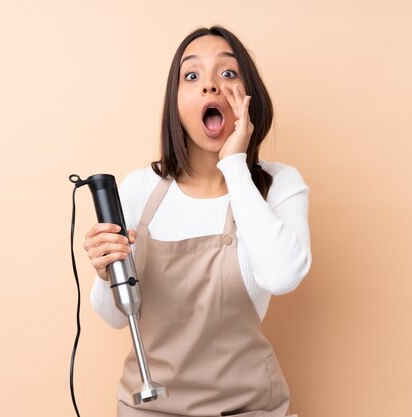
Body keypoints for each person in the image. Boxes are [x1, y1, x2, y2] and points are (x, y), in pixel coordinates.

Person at [83, 26, 312, 417]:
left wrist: (234, 164)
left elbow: (282, 276)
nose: (210, 86)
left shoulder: (278, 185)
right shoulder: (140, 187)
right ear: (175, 104)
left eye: (227, 74)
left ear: (249, 97)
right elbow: (115, 318)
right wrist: (107, 271)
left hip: (248, 408)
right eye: (192, 76)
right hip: (150, 409)